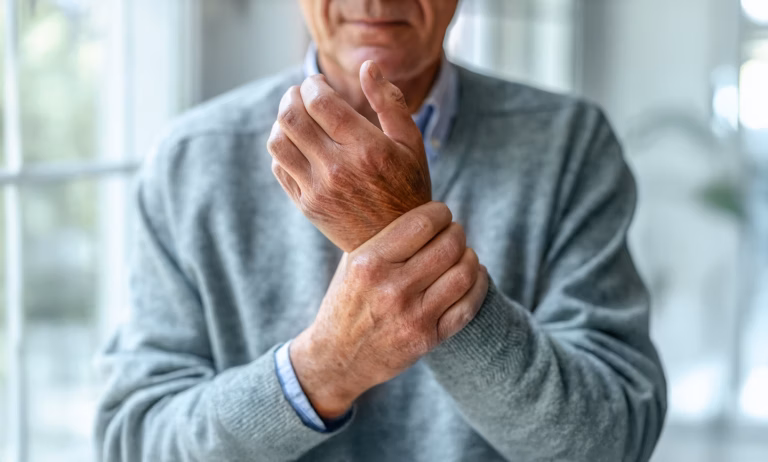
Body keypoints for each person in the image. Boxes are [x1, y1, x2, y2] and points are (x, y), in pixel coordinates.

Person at [95, 1, 667, 461]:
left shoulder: (568, 144)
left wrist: (400, 234)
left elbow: (612, 440)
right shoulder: (191, 159)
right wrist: (324, 368)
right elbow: (135, 440)